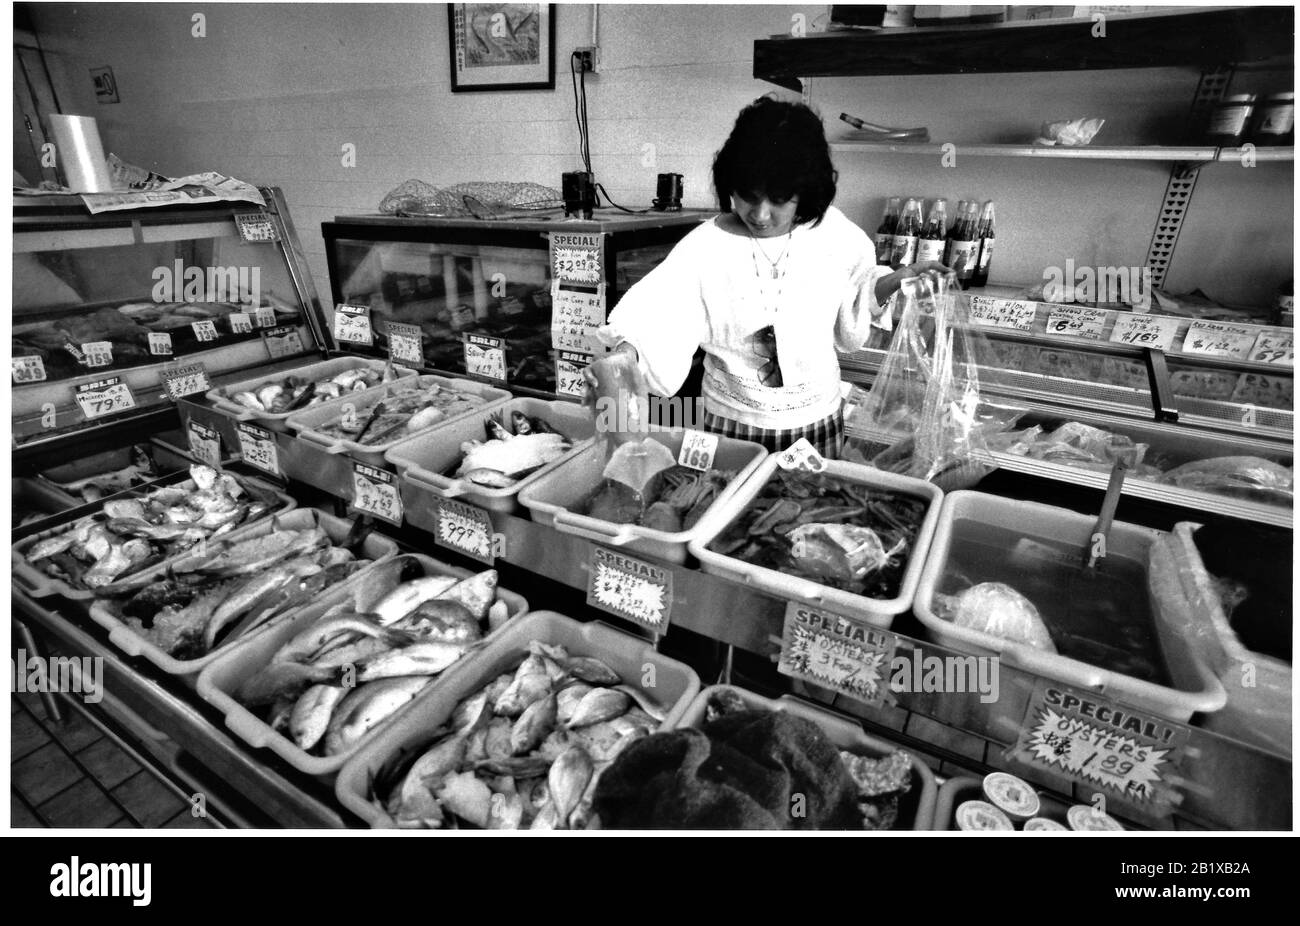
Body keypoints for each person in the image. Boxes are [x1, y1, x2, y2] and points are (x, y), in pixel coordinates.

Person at [585, 95, 947, 458]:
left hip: (815, 420)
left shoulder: (834, 234)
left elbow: (858, 291)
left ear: (805, 192)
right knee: (726, 508)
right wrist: (623, 357)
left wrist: (898, 279)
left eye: (778, 200)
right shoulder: (706, 246)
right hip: (730, 422)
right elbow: (660, 311)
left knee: (813, 512)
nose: (759, 214)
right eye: (747, 196)